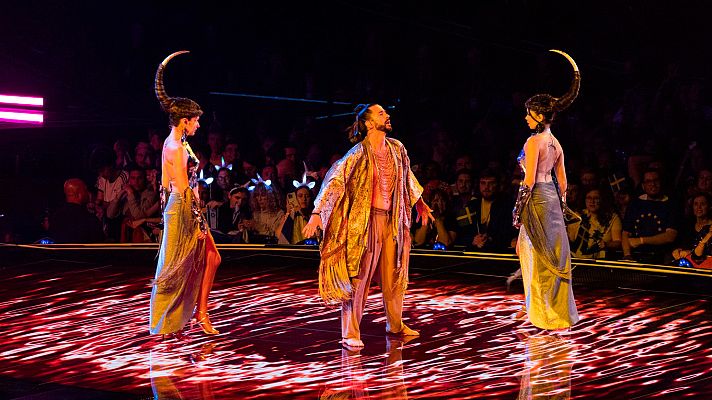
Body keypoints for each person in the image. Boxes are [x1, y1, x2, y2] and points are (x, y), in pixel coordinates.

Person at [302, 103, 434, 349]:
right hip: (365, 223)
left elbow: (407, 177)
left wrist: (419, 202)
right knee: (359, 278)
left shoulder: (397, 148)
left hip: (392, 220)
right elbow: (335, 181)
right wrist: (317, 212)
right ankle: (350, 333)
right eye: (381, 113)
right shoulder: (357, 154)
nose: (388, 115)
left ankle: (395, 324)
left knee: (394, 274)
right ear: (370, 123)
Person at [149, 51, 221, 337]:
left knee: (209, 259)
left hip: (181, 207)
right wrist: (198, 223)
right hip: (183, 208)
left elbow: (164, 184)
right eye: (195, 120)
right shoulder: (176, 147)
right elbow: (180, 187)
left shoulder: (175, 143)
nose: (198, 125)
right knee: (176, 265)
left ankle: (199, 314)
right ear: (183, 121)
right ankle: (170, 322)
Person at [512, 50, 580, 330]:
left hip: (537, 198)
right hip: (551, 199)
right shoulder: (556, 143)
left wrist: (518, 211)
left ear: (539, 115)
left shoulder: (533, 142)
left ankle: (542, 314)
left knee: (534, 253)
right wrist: (560, 207)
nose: (526, 117)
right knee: (553, 252)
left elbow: (528, 180)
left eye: (529, 113)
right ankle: (554, 310)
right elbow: (562, 182)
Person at [621, 169, 679, 263]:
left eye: (656, 180)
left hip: (662, 258)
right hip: (637, 256)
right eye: (648, 181)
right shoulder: (635, 204)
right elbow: (625, 233)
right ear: (643, 186)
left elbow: (670, 236)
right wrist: (627, 255)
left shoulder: (671, 205)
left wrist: (641, 240)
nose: (652, 184)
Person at [567, 187, 622, 259]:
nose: (592, 201)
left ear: (602, 200)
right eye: (589, 198)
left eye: (596, 198)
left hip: (599, 261)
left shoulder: (613, 218)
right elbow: (570, 240)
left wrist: (606, 244)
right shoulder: (578, 215)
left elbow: (618, 242)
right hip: (576, 260)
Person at [49, 178, 105, 243]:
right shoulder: (88, 219)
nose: (88, 193)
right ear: (80, 194)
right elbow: (99, 242)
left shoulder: (55, 217)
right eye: (85, 190)